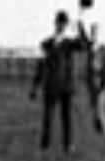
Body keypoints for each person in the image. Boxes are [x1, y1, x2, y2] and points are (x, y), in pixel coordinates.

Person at [30, 11, 86, 153]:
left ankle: (68, 145)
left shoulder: (70, 43)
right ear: (55, 23)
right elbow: (40, 66)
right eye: (59, 22)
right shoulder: (45, 44)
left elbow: (84, 45)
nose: (61, 25)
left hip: (67, 86)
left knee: (67, 118)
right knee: (48, 118)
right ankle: (45, 145)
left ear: (66, 25)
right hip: (50, 86)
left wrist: (80, 27)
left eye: (64, 23)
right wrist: (35, 86)